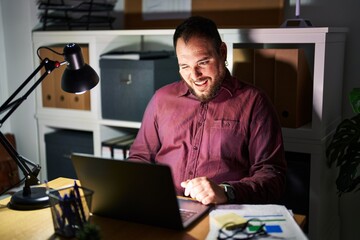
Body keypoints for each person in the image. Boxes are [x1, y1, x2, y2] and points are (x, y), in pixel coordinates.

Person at [128, 16, 287, 205]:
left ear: (222, 52)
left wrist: (227, 191)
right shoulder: (161, 99)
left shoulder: (254, 102)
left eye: (202, 63)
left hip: (224, 212)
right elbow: (139, 158)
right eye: (184, 66)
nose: (194, 76)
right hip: (166, 208)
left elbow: (272, 176)